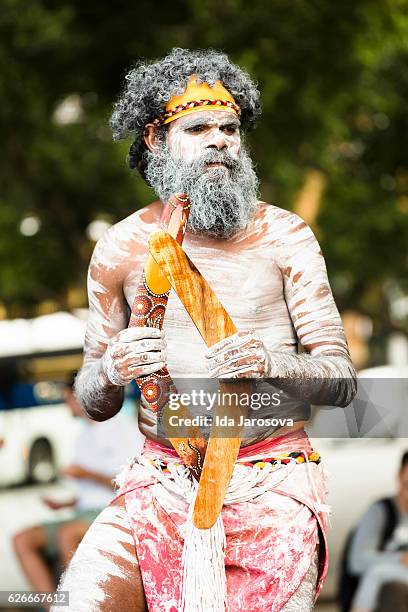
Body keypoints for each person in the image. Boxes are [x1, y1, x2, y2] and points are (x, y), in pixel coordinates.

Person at [55, 48, 357, 611]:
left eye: (230, 127)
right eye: (198, 128)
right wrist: (114, 368)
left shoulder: (285, 236)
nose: (220, 139)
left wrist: (269, 362)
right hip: (159, 483)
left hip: (273, 482)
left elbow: (340, 380)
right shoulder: (120, 247)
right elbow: (91, 397)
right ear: (155, 139)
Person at [13, 373, 144, 606]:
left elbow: (133, 484)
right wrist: (65, 503)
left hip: (112, 512)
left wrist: (87, 474)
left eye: (67, 398)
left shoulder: (122, 429)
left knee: (68, 533)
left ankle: (82, 605)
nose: (65, 405)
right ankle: (55, 606)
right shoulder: (82, 435)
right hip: (83, 513)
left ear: (80, 397)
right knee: (23, 539)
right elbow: (87, 493)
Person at [347, 451, 408, 612]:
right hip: (388, 585)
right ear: (399, 477)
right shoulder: (381, 511)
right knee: (379, 576)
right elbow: (357, 562)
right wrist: (401, 559)